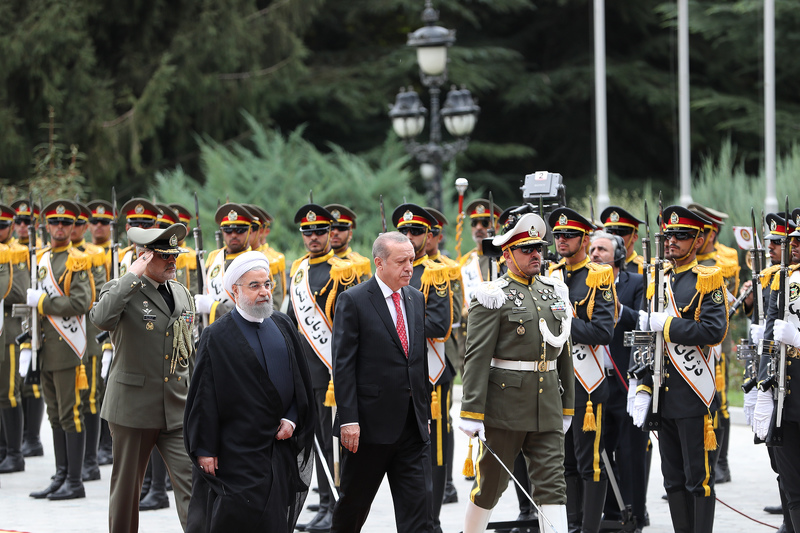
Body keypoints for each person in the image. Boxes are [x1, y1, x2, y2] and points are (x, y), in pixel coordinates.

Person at [184, 251, 315, 533]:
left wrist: (292, 419)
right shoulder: (217, 335)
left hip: (278, 448)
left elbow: (300, 384)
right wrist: (205, 448)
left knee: (274, 521)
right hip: (236, 451)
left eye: (267, 284)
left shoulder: (283, 325)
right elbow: (204, 396)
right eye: (254, 286)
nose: (264, 292)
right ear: (235, 291)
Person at [458, 212, 573, 533]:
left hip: (548, 403)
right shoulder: (492, 295)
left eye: (539, 248)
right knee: (490, 485)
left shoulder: (555, 291)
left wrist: (568, 406)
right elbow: (477, 357)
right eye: (527, 250)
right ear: (507, 255)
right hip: (505, 407)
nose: (536, 254)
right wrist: (471, 412)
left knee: (553, 485)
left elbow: (564, 352)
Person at [90, 223, 196, 532]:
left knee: (193, 486)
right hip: (133, 409)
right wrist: (131, 275)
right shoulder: (121, 288)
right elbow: (100, 318)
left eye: (173, 255)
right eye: (164, 257)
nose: (172, 262)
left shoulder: (180, 291)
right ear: (145, 257)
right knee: (126, 493)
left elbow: (186, 348)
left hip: (175, 408)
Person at [631, 205, 728, 533]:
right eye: (668, 235)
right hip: (663, 395)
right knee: (671, 480)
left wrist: (669, 324)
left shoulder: (708, 278)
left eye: (681, 236)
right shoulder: (659, 279)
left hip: (693, 393)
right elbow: (648, 341)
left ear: (698, 240)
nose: (672, 241)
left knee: (697, 479)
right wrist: (643, 386)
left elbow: (713, 331)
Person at [330, 231, 434, 533]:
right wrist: (348, 419)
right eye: (401, 261)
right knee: (352, 508)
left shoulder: (416, 298)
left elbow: (418, 359)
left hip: (411, 428)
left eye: (412, 260)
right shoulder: (354, 300)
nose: (409, 268)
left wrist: (423, 412)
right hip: (367, 430)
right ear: (379, 263)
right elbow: (344, 365)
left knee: (419, 511)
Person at [288, 203, 363, 533]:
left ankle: (335, 503)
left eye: (320, 231)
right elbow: (292, 320)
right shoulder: (300, 269)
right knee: (313, 439)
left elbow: (350, 325)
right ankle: (321, 502)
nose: (315, 237)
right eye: (309, 232)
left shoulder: (341, 270)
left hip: (330, 370)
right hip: (304, 368)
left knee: (330, 440)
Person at [547, 207, 616, 533]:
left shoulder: (599, 276)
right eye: (558, 235)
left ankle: (589, 527)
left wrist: (566, 325)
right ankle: (571, 524)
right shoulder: (550, 274)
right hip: (556, 380)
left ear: (584, 239)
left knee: (590, 461)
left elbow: (604, 331)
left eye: (568, 235)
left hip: (587, 383)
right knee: (564, 462)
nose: (561, 240)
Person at [22, 200, 93, 501]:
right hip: (46, 348)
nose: (60, 228)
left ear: (72, 226)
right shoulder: (42, 259)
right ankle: (60, 475)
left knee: (70, 414)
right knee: (53, 415)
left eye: (65, 223)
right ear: (48, 226)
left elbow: (81, 302)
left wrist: (43, 303)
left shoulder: (77, 260)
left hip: (68, 347)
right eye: (55, 223)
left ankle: (75, 481)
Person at [588, 230, 649, 531]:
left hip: (626, 379)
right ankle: (611, 511)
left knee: (630, 452)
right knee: (600, 449)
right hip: (595, 380)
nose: (595, 253)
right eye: (593, 248)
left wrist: (620, 310)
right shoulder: (585, 283)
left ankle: (635, 514)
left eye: (601, 249)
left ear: (618, 256)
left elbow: (645, 321)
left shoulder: (635, 282)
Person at [745, 212, 793, 533]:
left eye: (780, 242)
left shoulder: (787, 277)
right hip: (776, 373)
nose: (774, 247)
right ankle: (790, 519)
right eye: (772, 242)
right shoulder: (770, 276)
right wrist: (760, 386)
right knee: (781, 461)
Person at [754, 208, 800, 531]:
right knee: (793, 487)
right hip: (789, 396)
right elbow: (770, 338)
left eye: (797, 240)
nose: (793, 245)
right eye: (793, 239)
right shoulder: (784, 279)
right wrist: (763, 387)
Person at [424, 207, 465, 511]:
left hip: (441, 353)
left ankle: (445, 482)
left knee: (441, 423)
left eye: (422, 232)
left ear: (435, 236)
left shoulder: (447, 268)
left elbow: (453, 313)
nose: (415, 237)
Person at [69, 202, 109, 483]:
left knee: (91, 398)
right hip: (66, 336)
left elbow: (98, 294)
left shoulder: (95, 255)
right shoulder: (49, 256)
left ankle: (91, 460)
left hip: (89, 335)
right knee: (72, 401)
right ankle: (76, 461)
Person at [7, 201, 44, 460]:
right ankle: (19, 437)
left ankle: (32, 437)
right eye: (18, 221)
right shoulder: (9, 250)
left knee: (33, 383)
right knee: (18, 383)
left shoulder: (41, 250)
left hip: (36, 319)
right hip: (16, 320)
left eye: (27, 222)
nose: (22, 226)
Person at [87, 199, 115, 466]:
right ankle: (95, 446)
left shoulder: (116, 252)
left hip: (110, 326)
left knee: (106, 388)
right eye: (94, 221)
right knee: (93, 389)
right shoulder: (84, 253)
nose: (98, 226)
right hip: (88, 329)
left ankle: (107, 444)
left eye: (104, 222)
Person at [194, 203, 254, 323]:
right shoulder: (214, 257)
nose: (233, 235)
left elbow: (255, 312)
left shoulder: (255, 262)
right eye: (228, 230)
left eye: (240, 230)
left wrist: (214, 307)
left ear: (250, 231)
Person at [0, 203, 25, 473]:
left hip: (8, 329)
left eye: (3, 226)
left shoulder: (15, 252)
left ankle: (14, 453)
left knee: (8, 392)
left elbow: (18, 291)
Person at [324, 203, 372, 279]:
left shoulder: (360, 265)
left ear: (350, 234)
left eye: (341, 228)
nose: (335, 233)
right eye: (331, 228)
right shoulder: (314, 262)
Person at [600, 206, 645, 274]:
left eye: (620, 233)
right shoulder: (599, 267)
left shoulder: (642, 268)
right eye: (609, 233)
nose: (614, 237)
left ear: (634, 237)